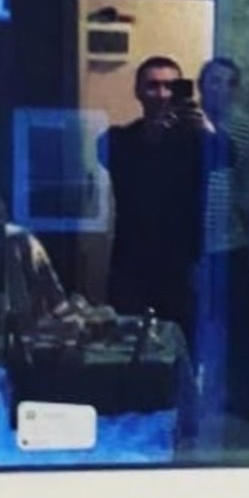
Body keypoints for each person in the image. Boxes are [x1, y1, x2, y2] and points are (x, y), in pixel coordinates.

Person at [100, 55, 221, 352]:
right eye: (152, 86)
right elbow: (110, 155)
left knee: (184, 351)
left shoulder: (195, 141)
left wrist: (207, 129)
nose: (162, 94)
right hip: (131, 265)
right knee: (128, 350)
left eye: (170, 86)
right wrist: (151, 137)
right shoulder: (119, 139)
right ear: (138, 91)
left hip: (183, 266)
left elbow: (228, 158)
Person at [196, 57, 249, 420]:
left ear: (236, 90)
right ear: (200, 86)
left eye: (227, 82)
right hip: (190, 246)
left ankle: (241, 396)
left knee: (241, 325)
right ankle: (189, 396)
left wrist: (242, 219)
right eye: (212, 81)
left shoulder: (248, 134)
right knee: (191, 322)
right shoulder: (185, 126)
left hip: (231, 244)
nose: (219, 89)